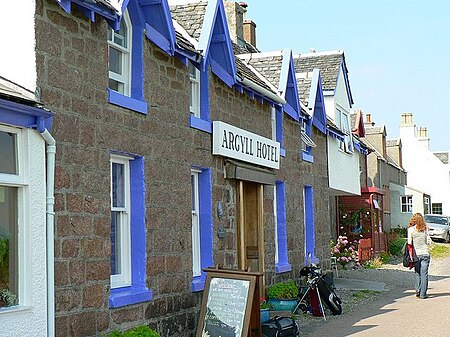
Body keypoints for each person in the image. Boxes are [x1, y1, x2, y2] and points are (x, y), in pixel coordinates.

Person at [407, 213, 431, 299]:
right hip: (425, 253)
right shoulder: (425, 229)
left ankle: (417, 290)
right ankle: (423, 294)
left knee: (417, 272)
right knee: (424, 274)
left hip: (416, 255)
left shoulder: (411, 230)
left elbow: (409, 242)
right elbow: (428, 242)